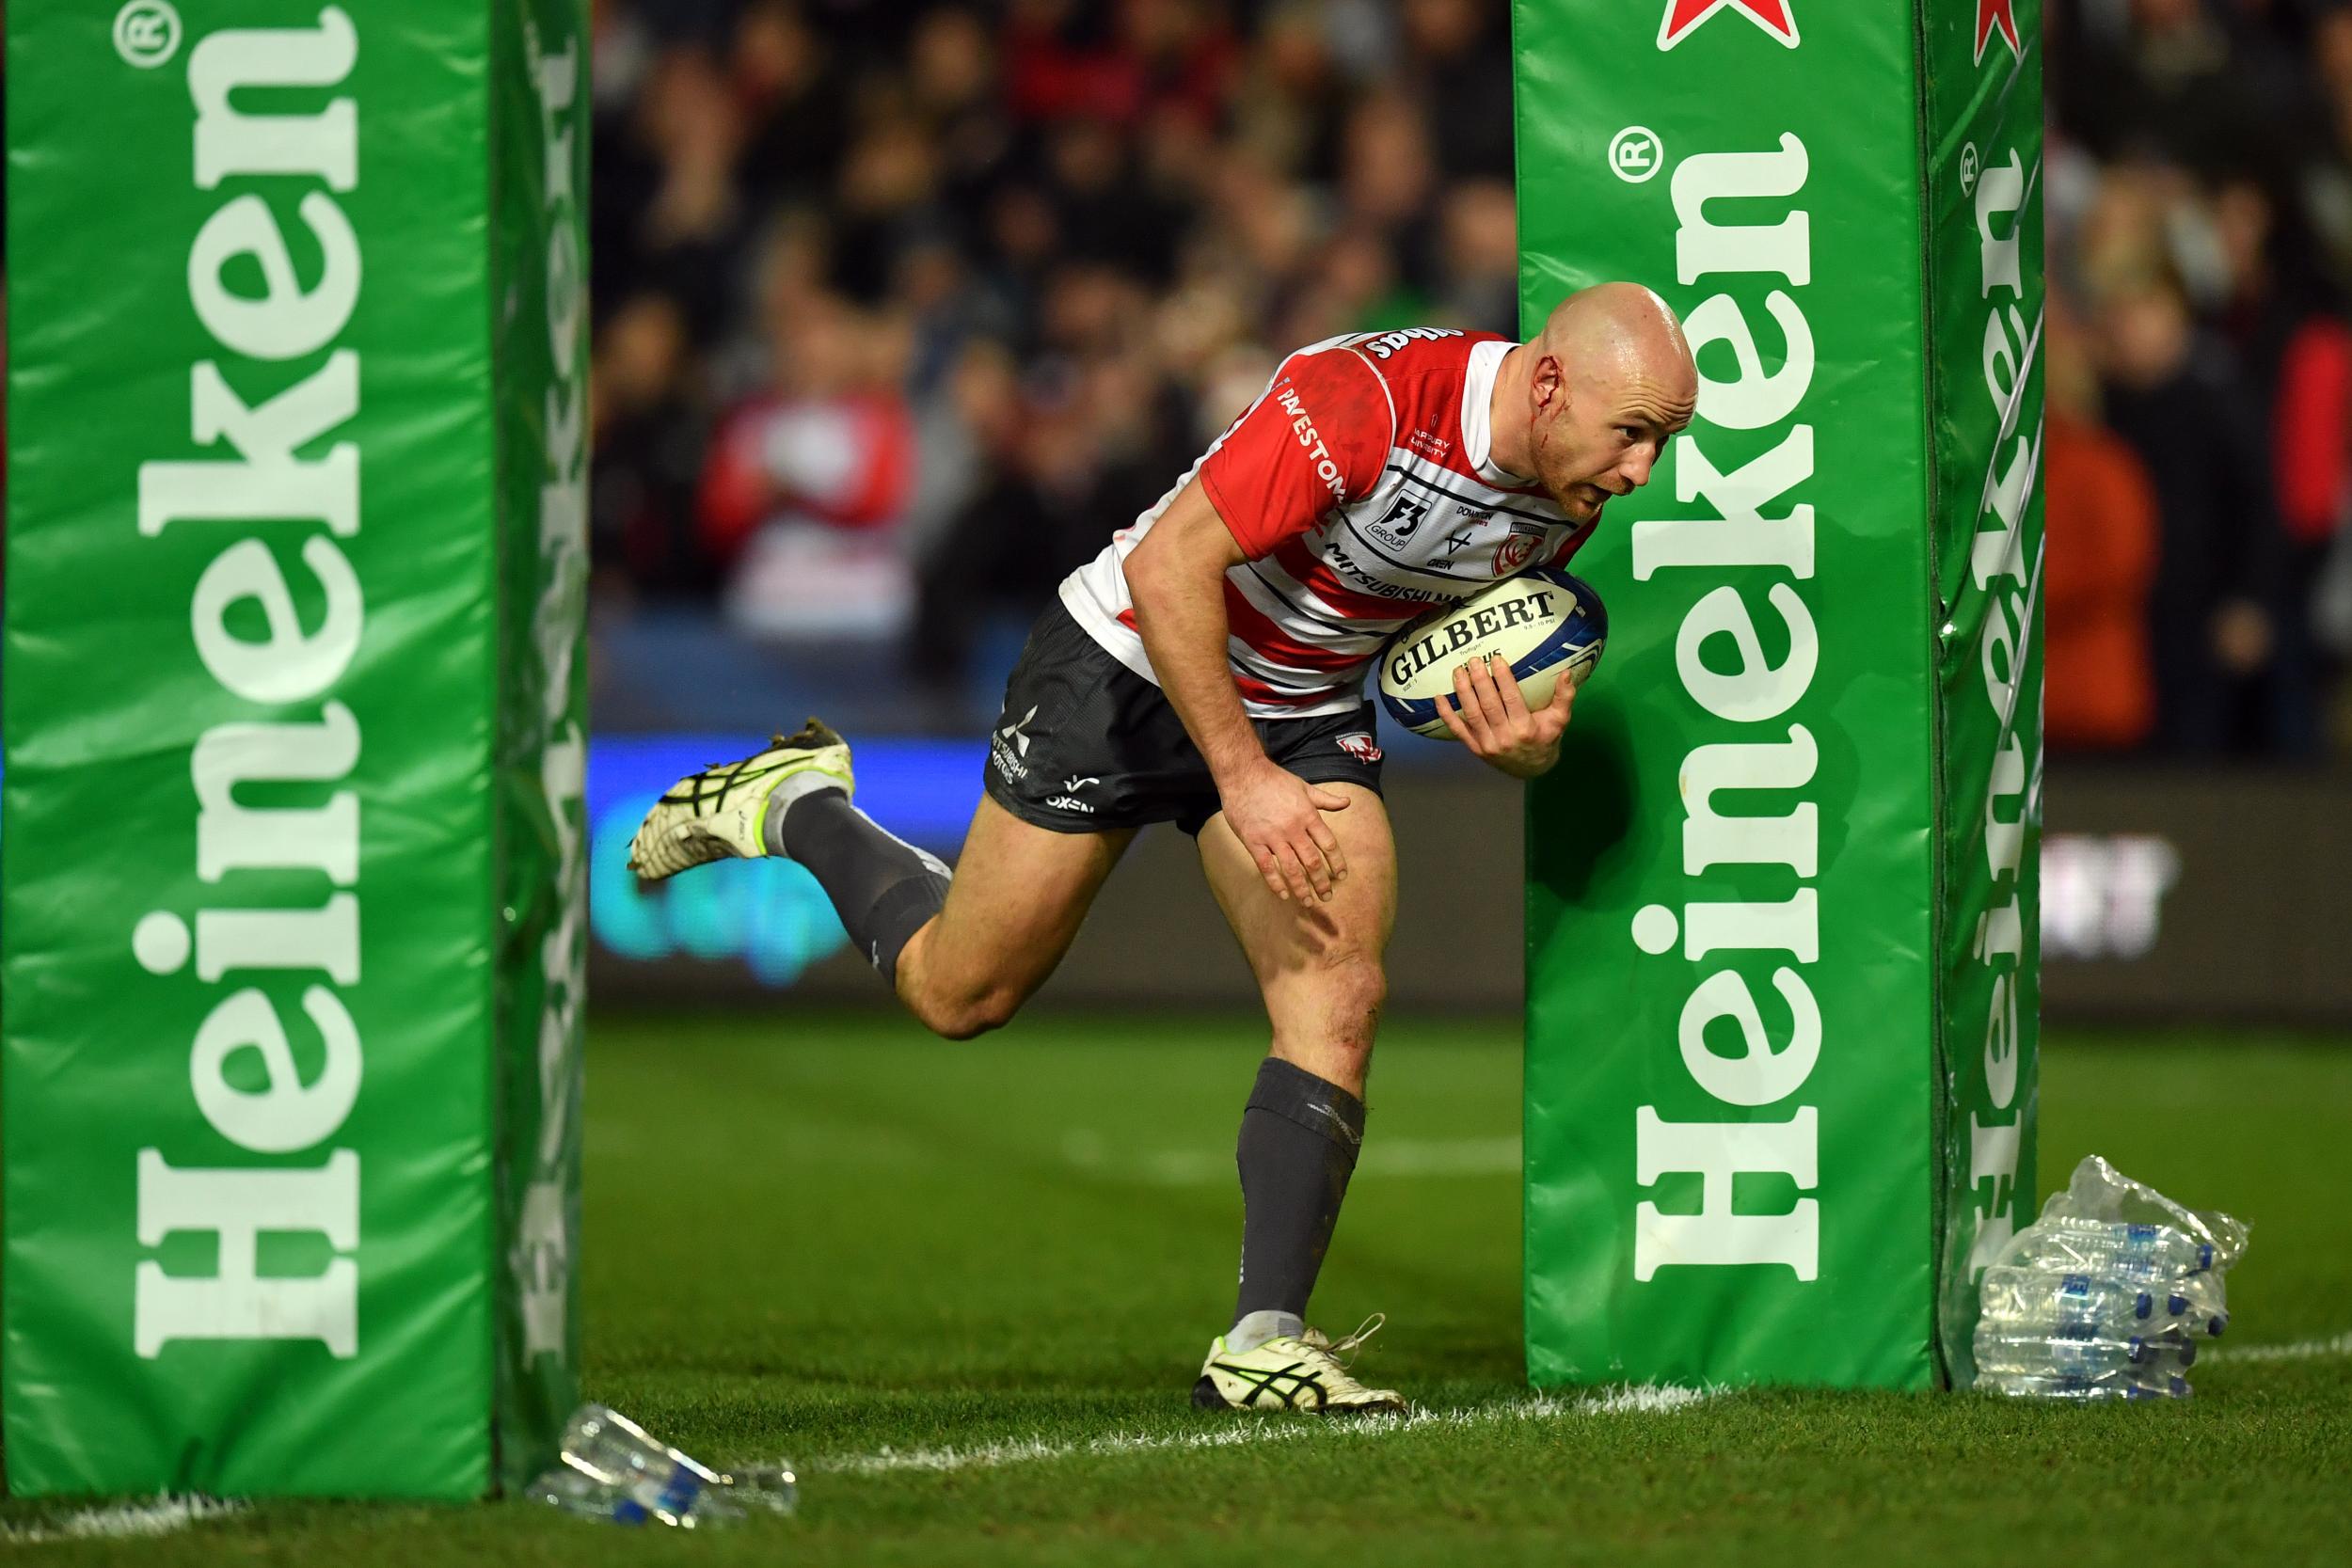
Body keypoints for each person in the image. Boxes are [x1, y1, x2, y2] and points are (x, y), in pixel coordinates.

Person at [628, 282, 1698, 1414]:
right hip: (1131, 664)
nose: (1640, 472)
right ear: (1546, 382)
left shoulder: (1567, 495)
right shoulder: (1368, 401)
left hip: (1301, 701)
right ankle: (800, 803)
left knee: (1339, 984)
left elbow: (1408, 644)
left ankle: (1263, 1339)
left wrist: (1513, 747)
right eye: (1633, 432)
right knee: (961, 990)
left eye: (1662, 442)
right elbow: (1168, 567)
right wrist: (1243, 780)